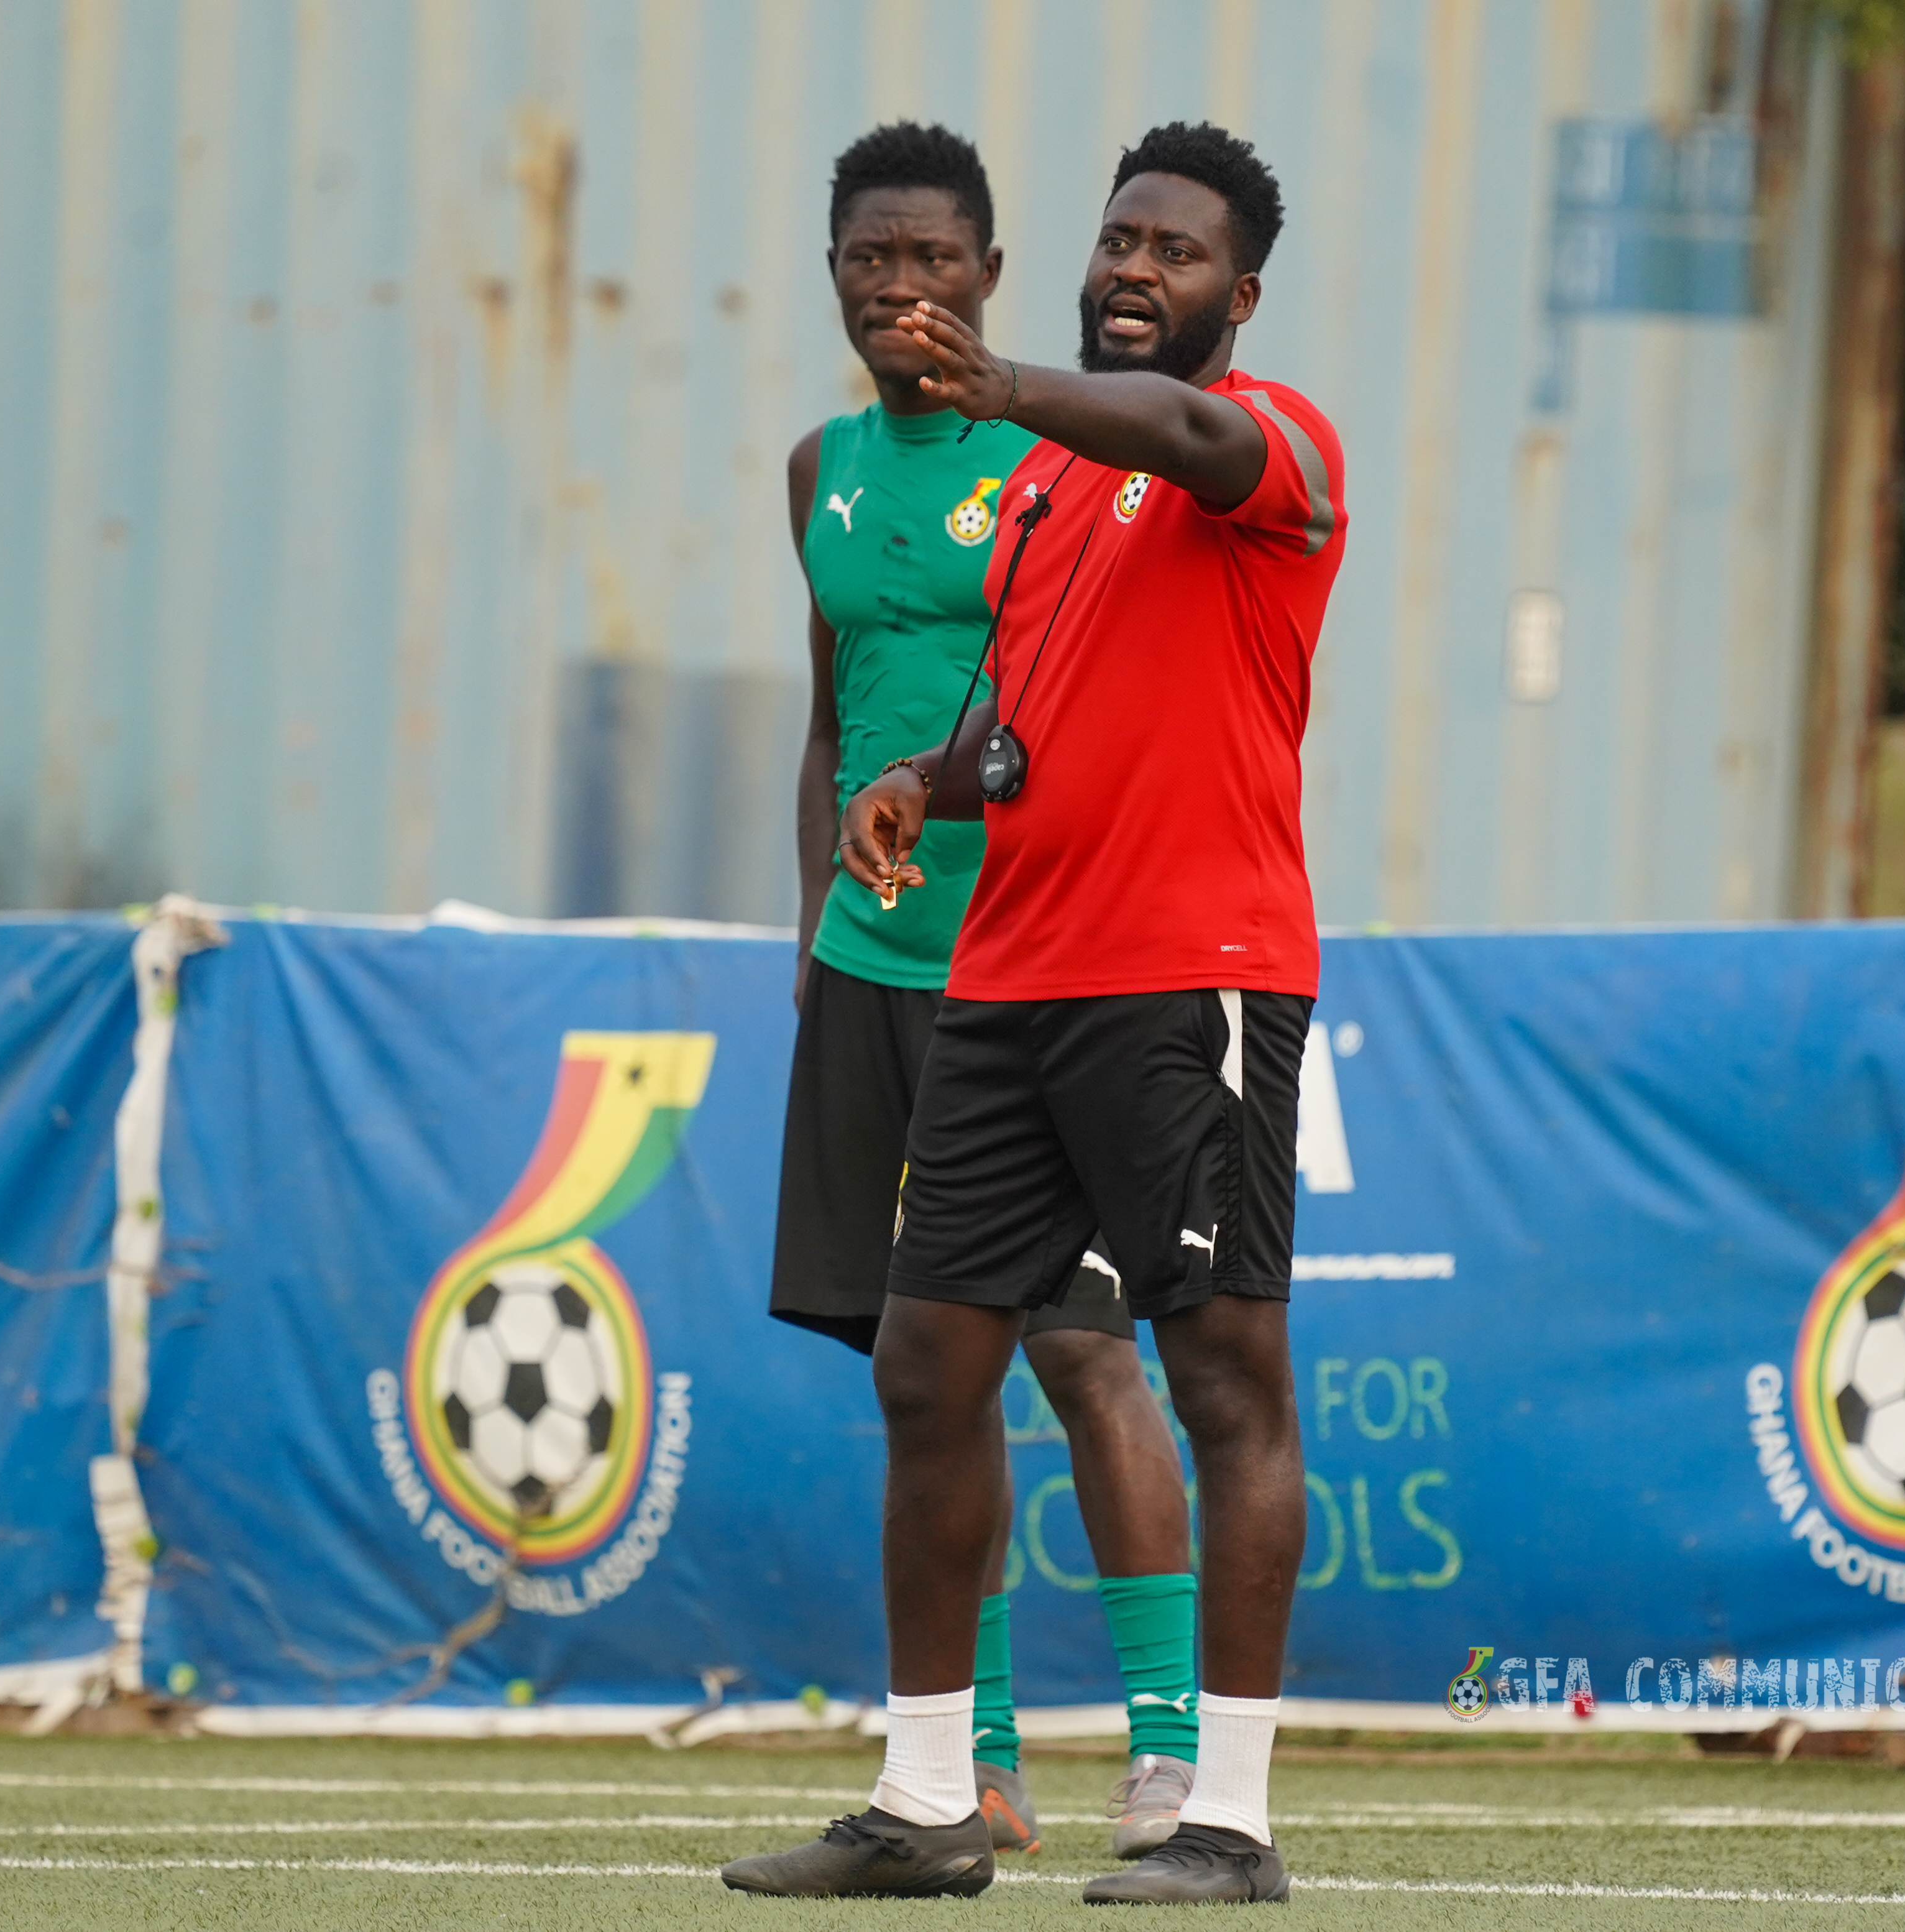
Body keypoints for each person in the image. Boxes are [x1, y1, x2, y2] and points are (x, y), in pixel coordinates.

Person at [725, 121, 1345, 1906]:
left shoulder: (1267, 438)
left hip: (1191, 973)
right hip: (1008, 971)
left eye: (1179, 250)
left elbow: (1187, 434)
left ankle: (1219, 1811)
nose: (1139, 266)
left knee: (1219, 1376)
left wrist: (1008, 382)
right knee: (929, 1362)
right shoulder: (1053, 494)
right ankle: (934, 1795)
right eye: (1120, 237)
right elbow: (1022, 724)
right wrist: (922, 778)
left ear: (1243, 291)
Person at [764, 122, 1200, 1862]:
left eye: (937, 260)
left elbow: (1076, 708)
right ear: (838, 278)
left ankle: (1169, 1757)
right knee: (924, 1377)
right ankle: (982, 1767)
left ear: (993, 279)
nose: (904, 289)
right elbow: (832, 716)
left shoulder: (1054, 456)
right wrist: (812, 925)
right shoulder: (818, 470)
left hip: (1038, 966)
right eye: (874, 260)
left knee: (1090, 1355)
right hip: (871, 972)